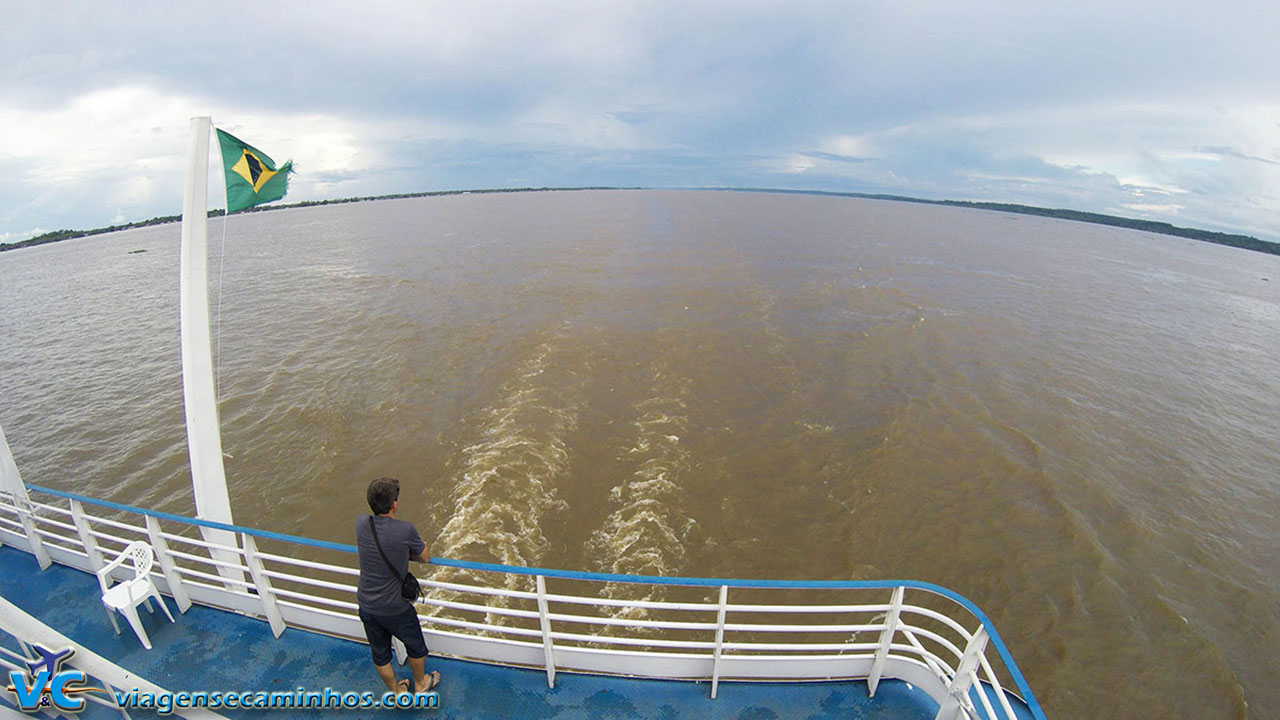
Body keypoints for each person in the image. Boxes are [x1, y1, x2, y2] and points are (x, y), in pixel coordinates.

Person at [355, 477, 441, 695]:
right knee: (416, 646)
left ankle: (396, 691)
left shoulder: (361, 524)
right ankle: (421, 684)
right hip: (395, 608)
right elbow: (425, 557)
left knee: (381, 654)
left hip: (366, 604)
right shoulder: (405, 530)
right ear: (394, 504)